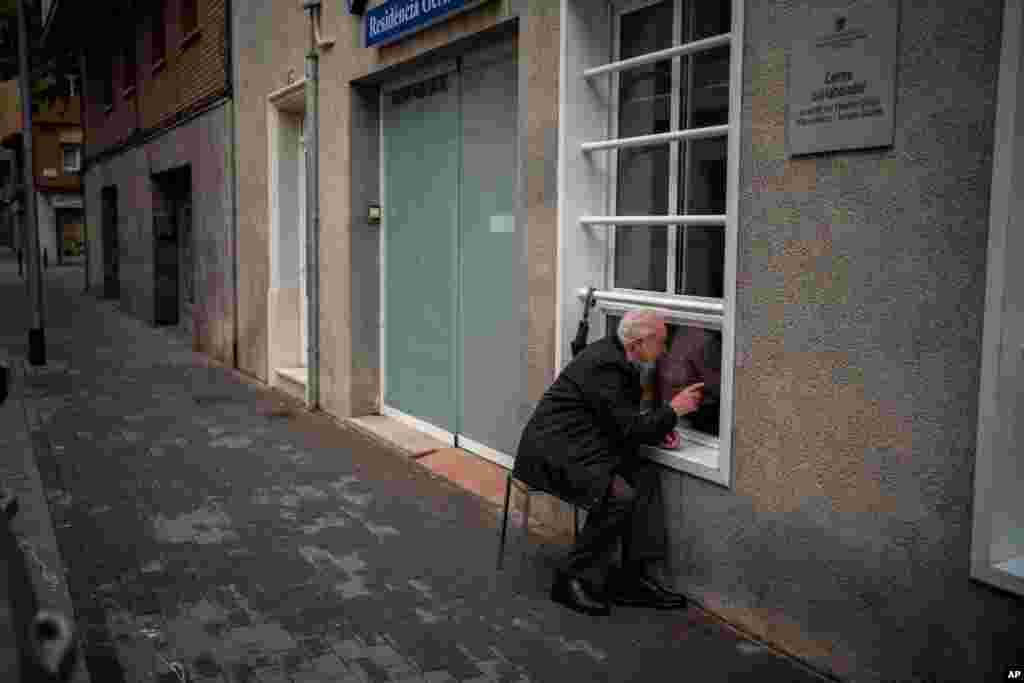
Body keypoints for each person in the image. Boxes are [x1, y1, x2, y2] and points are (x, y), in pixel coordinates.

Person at [513, 309, 705, 616]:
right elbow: (627, 427)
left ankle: (632, 578)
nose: (665, 350)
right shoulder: (607, 365)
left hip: (585, 444)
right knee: (619, 497)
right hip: (557, 452)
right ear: (640, 342)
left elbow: (620, 422)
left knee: (643, 474)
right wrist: (673, 411)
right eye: (661, 342)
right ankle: (572, 578)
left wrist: (658, 429)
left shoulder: (618, 357)